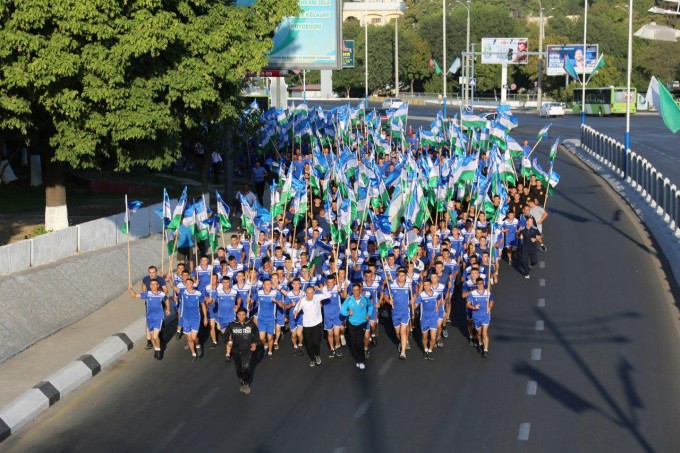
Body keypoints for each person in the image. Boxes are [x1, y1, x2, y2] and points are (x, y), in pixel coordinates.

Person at [128, 279, 170, 360]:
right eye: (152, 284)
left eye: (155, 284)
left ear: (158, 285)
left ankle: (158, 351)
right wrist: (130, 289)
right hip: (149, 318)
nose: (153, 286)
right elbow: (134, 295)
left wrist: (168, 308)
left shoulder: (162, 294)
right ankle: (156, 349)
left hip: (158, 317)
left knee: (155, 336)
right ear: (150, 286)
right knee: (151, 336)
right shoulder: (147, 294)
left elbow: (166, 299)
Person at [225, 307, 259, 394]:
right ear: (237, 315)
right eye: (239, 315)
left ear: (245, 315)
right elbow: (226, 335)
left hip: (247, 350)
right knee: (238, 368)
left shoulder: (251, 324)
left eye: (243, 315)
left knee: (246, 367)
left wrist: (254, 343)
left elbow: (256, 333)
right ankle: (241, 381)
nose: (241, 316)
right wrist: (228, 342)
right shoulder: (232, 324)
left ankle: (246, 383)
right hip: (236, 350)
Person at [340, 282, 373, 370]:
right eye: (354, 290)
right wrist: (347, 313)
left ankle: (361, 360)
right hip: (352, 324)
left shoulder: (365, 299)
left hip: (362, 322)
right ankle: (358, 358)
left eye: (357, 290)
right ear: (352, 291)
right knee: (354, 343)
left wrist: (368, 314)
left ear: (360, 290)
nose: (355, 292)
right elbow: (342, 310)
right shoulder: (349, 300)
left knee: (359, 342)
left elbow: (371, 306)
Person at [293, 286, 325, 367]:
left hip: (317, 324)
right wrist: (295, 312)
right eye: (308, 293)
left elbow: (328, 295)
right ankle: (312, 359)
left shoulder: (317, 297)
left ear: (314, 293)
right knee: (309, 344)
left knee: (316, 342)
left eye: (311, 293)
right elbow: (296, 309)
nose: (309, 294)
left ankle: (317, 355)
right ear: (305, 293)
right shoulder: (302, 300)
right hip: (307, 325)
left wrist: (320, 289)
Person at [386, 269, 412, 360]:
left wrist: (413, 299)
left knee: (403, 331)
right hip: (395, 313)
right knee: (397, 332)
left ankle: (403, 352)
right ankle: (401, 342)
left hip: (405, 312)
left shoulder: (409, 285)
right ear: (397, 276)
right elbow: (386, 295)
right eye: (399, 275)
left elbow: (415, 293)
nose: (401, 277)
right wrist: (388, 300)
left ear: (405, 277)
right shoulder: (391, 286)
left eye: (403, 276)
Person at [413, 278, 441, 360]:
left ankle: (430, 351)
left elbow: (439, 299)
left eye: (428, 285)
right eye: (424, 285)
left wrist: (437, 307)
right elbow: (415, 305)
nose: (426, 287)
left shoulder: (436, 293)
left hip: (433, 318)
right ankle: (425, 350)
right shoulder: (421, 295)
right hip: (424, 319)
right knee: (425, 337)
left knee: (433, 338)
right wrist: (412, 304)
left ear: (431, 285)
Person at [141, 266, 168, 350]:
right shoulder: (145, 279)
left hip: (159, 301)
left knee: (159, 319)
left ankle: (159, 333)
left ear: (156, 272)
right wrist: (144, 294)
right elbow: (143, 285)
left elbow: (165, 290)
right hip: (149, 302)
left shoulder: (160, 279)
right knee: (149, 320)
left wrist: (161, 294)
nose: (151, 274)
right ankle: (149, 341)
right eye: (150, 272)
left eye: (153, 272)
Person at [466, 277, 494, 358]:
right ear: (476, 284)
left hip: (486, 315)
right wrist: (474, 307)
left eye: (482, 283)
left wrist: (489, 307)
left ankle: (485, 350)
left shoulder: (487, 293)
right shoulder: (473, 294)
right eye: (478, 284)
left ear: (483, 284)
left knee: (484, 333)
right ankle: (480, 342)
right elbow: (467, 304)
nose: (480, 285)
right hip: (476, 316)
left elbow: (491, 301)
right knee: (479, 333)